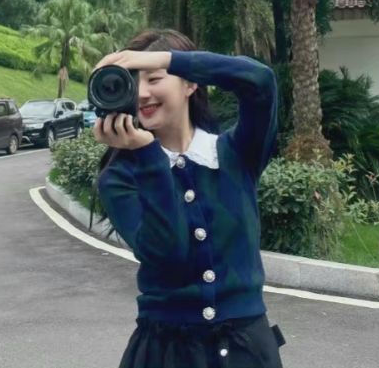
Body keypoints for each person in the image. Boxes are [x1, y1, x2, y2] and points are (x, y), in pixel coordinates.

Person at [92, 29, 286, 368]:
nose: (142, 93)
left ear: (190, 83)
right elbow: (168, 254)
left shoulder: (235, 153)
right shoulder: (121, 177)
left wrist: (166, 59)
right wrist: (147, 155)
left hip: (246, 351)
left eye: (154, 78)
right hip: (164, 352)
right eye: (133, 83)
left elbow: (260, 81)